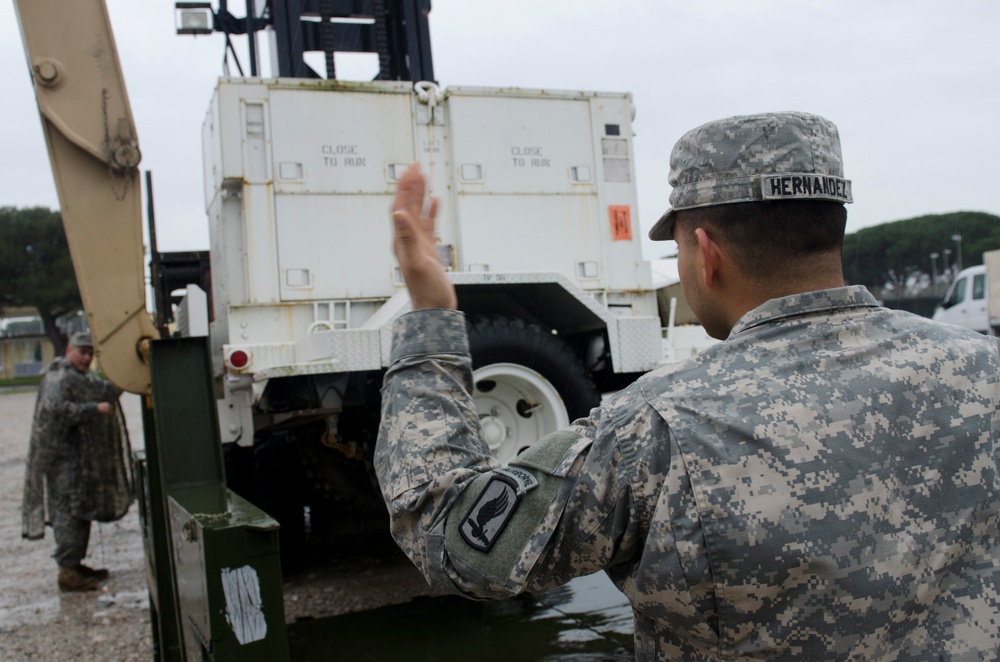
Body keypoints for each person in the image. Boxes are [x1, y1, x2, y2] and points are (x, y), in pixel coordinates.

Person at [375, 112, 1000, 659]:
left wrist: (431, 317)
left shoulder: (657, 427)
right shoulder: (986, 370)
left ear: (705, 252)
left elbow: (451, 539)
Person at [22, 331, 134, 592]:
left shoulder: (81, 379)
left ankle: (75, 564)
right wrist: (93, 409)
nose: (86, 358)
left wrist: (128, 365)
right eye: (81, 352)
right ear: (69, 350)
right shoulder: (58, 378)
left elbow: (107, 389)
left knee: (81, 512)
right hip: (64, 465)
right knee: (69, 514)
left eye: (90, 354)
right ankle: (67, 571)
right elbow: (55, 410)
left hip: (79, 465)